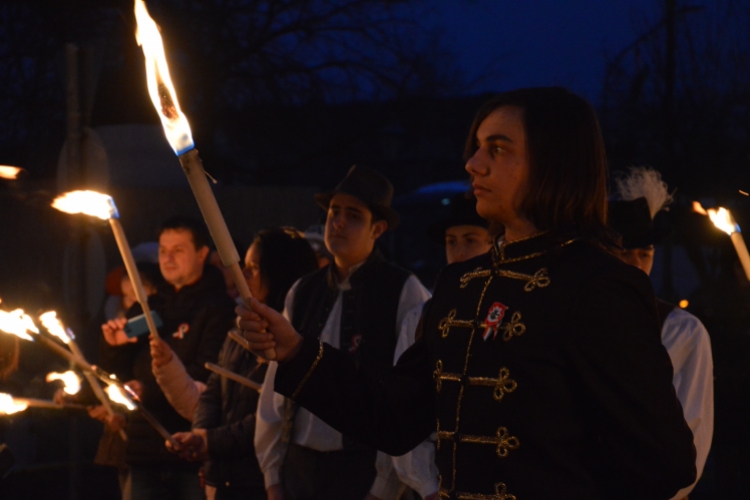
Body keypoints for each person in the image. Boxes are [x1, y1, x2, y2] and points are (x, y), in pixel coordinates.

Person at [238, 88, 697, 500]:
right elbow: (394, 417)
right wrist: (297, 351)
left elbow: (660, 463)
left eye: (497, 149)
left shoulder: (600, 285)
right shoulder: (462, 284)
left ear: (552, 162)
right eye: (477, 147)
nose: (473, 164)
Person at [254, 165, 431, 500]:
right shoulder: (303, 290)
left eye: (353, 215)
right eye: (334, 211)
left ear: (377, 228)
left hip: (363, 470)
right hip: (300, 468)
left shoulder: (404, 291)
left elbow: (407, 399)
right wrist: (272, 473)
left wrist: (385, 488)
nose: (338, 222)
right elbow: (274, 388)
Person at [150, 227, 318, 500]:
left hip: (264, 480)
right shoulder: (240, 328)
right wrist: (201, 434)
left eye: (254, 267)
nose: (245, 276)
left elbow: (275, 414)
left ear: (280, 271)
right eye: (244, 267)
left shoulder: (298, 337)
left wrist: (211, 443)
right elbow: (215, 387)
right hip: (224, 476)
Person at [100, 215, 236, 500]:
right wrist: (114, 345)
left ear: (202, 254)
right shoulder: (151, 305)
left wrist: (147, 390)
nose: (168, 258)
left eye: (178, 250)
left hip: (190, 450)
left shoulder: (218, 307)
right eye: (163, 250)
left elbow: (208, 376)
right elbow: (117, 367)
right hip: (144, 450)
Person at [608, 167, 714, 500]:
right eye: (624, 253)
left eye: (645, 254)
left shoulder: (682, 330)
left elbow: (692, 432)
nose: (636, 266)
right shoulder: (571, 320)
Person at [393, 192, 492, 500]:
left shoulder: (508, 312)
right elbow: (403, 409)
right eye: (452, 242)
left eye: (470, 240)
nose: (459, 252)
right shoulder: (422, 318)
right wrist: (429, 486)